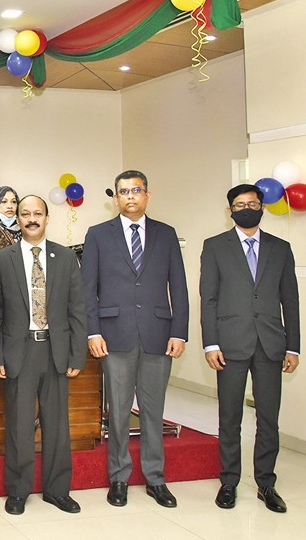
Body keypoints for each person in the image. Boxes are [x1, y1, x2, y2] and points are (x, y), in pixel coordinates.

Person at [81, 170, 188, 509]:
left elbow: (180, 288)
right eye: (123, 191)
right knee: (119, 412)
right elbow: (88, 290)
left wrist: (179, 331)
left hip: (159, 334)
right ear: (116, 197)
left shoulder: (166, 234)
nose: (130, 196)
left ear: (147, 195)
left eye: (136, 190)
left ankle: (156, 479)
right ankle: (119, 478)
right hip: (114, 335)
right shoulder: (98, 234)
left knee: (154, 412)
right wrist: (92, 330)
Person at [200, 184, 299, 513]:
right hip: (229, 344)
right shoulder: (215, 247)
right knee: (230, 416)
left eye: (253, 203)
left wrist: (294, 347)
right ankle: (228, 481)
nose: (247, 208)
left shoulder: (281, 248)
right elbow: (209, 299)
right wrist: (210, 343)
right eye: (240, 204)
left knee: (268, 418)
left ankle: (266, 483)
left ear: (262, 207)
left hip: (271, 343)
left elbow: (291, 301)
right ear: (230, 210)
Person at [0, 195, 87, 516]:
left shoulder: (66, 258)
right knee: (19, 423)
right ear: (17, 218)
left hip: (56, 349)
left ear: (47, 218)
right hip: (20, 349)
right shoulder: (2, 259)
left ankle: (57, 490)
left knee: (57, 423)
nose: (31, 219)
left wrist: (76, 354)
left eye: (38, 214)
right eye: (25, 213)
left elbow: (77, 309)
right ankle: (18, 490)